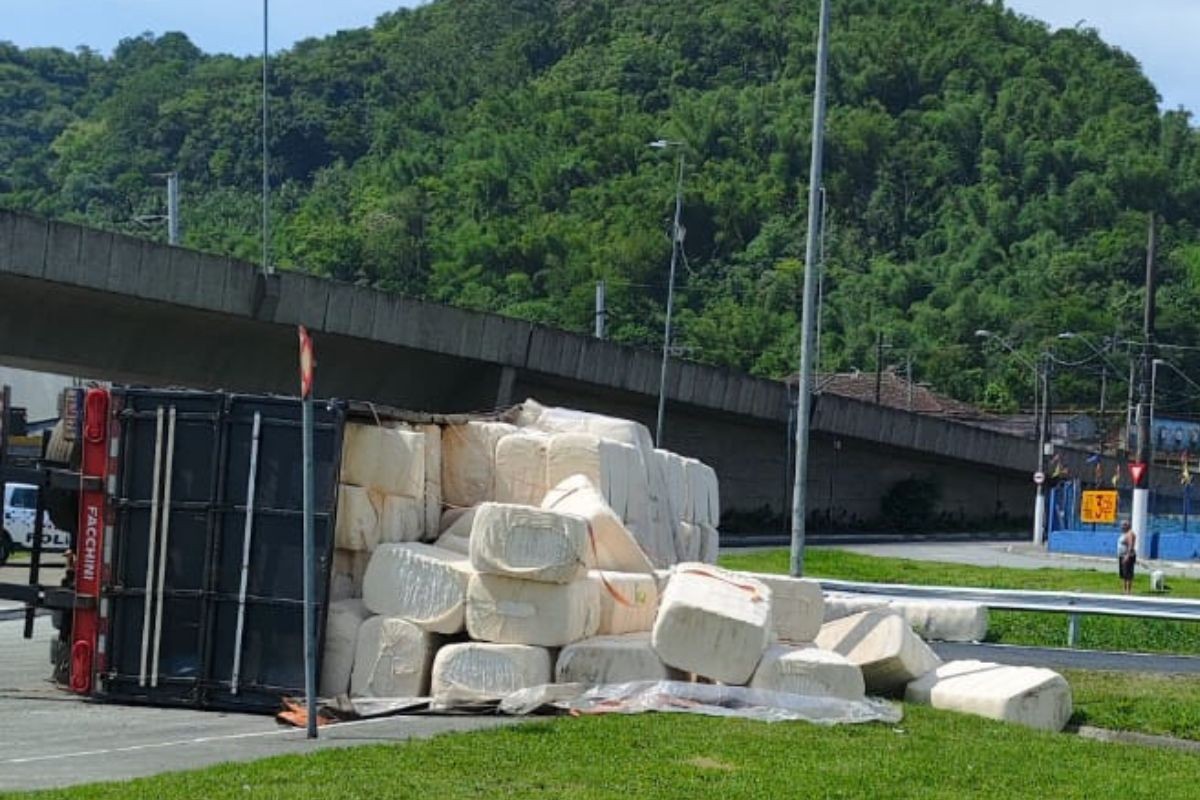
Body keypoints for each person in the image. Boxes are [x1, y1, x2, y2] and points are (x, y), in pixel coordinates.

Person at [1117, 520, 1137, 595]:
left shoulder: (1130, 534)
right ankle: (1124, 590)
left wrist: (1127, 556)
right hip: (1122, 555)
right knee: (1123, 574)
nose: (1121, 526)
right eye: (1121, 525)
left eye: (1123, 525)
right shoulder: (1124, 534)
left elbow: (1131, 545)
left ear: (1127, 526)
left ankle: (1128, 591)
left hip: (1127, 556)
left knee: (1128, 574)